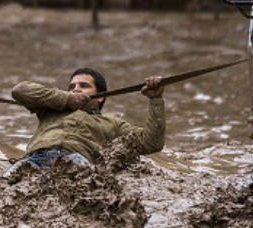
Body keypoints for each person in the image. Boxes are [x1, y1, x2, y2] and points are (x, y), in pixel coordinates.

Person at [10, 67, 165, 167]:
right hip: (34, 158)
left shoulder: (112, 123)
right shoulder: (51, 109)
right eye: (72, 87)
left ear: (100, 97)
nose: (76, 89)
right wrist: (66, 99)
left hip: (76, 161)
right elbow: (20, 90)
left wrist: (155, 100)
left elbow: (151, 143)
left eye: (84, 86)